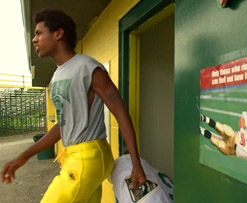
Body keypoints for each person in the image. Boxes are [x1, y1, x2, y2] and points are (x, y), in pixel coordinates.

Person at [1, 8, 146, 202]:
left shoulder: (87, 66)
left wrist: (136, 163)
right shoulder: (56, 77)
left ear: (58, 34)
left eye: (38, 33)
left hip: (87, 156)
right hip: (75, 157)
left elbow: (120, 111)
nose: (34, 39)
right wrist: (24, 156)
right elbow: (63, 125)